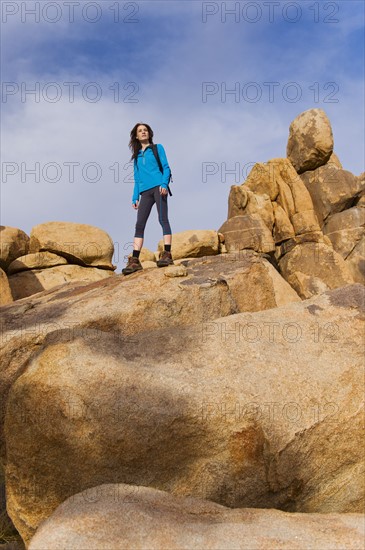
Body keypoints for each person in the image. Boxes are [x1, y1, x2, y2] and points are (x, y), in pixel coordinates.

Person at [122, 123, 174, 275]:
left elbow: (166, 167)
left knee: (162, 219)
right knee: (139, 224)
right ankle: (135, 261)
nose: (143, 132)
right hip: (144, 192)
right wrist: (134, 196)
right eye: (140, 131)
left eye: (145, 130)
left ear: (149, 134)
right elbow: (137, 179)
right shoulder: (136, 156)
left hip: (159, 187)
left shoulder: (158, 148)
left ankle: (167, 254)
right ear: (136, 136)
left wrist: (164, 183)